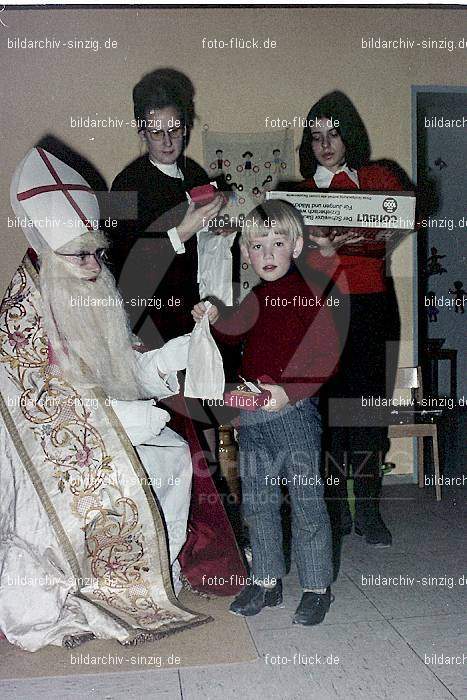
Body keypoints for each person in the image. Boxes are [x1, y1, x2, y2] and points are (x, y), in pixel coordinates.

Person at [0, 147, 244, 652]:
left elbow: (127, 366)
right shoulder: (22, 315)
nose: (92, 265)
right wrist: (126, 419)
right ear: (49, 252)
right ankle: (76, 599)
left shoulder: (94, 292)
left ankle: (154, 579)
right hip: (41, 465)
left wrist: (180, 350)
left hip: (109, 433)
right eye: (79, 255)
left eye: (97, 252)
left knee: (174, 457)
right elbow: (48, 409)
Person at [192, 201, 339, 625]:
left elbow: (325, 357)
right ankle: (266, 579)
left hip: (293, 413)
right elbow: (232, 328)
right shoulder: (256, 296)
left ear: (296, 246)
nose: (268, 254)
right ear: (246, 253)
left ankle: (316, 588)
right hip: (252, 413)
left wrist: (290, 393)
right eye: (258, 246)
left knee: (308, 503)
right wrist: (213, 314)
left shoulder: (312, 291)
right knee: (257, 502)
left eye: (278, 243)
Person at [296, 90, 404, 546]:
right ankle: (337, 512)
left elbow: (408, 218)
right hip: (320, 312)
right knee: (327, 414)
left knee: (366, 411)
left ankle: (371, 512)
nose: (325, 144)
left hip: (370, 307)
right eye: (317, 136)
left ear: (348, 136)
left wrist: (379, 241)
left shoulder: (376, 176)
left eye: (334, 134)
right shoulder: (300, 193)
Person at [109, 67, 225, 346]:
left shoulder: (195, 175)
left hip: (191, 310)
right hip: (147, 318)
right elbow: (120, 263)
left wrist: (217, 229)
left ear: (185, 127)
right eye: (156, 132)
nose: (168, 141)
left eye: (174, 129)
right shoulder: (125, 184)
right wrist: (181, 233)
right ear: (142, 132)